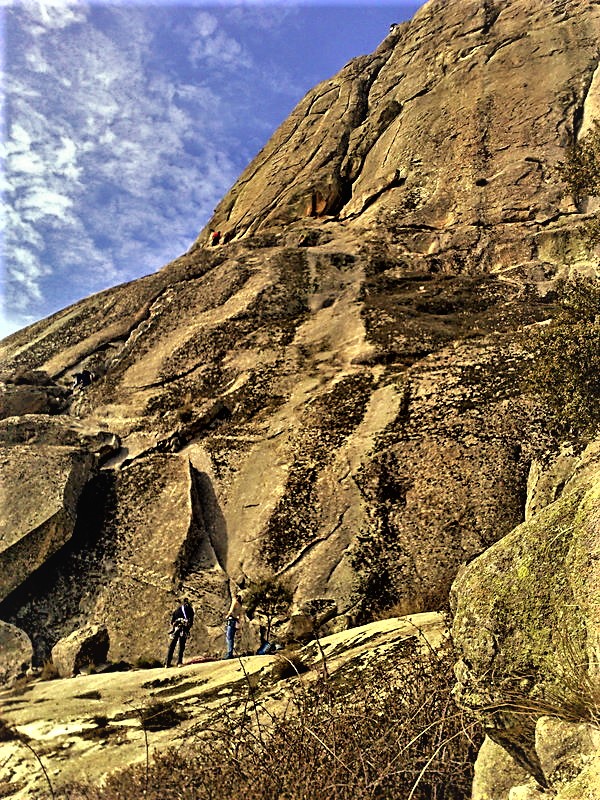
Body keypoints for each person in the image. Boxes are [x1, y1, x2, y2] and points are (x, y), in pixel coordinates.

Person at [165, 597, 194, 667]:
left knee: (172, 646)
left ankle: (167, 663)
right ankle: (179, 662)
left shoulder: (177, 610)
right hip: (183, 629)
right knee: (181, 646)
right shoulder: (190, 610)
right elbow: (191, 622)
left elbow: (172, 622)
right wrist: (188, 628)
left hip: (176, 629)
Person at [224, 593, 243, 659]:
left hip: (231, 620)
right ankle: (230, 652)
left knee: (228, 638)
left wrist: (226, 616)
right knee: (231, 638)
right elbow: (240, 615)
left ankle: (229, 653)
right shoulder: (240, 605)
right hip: (235, 621)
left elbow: (231, 611)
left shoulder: (234, 601)